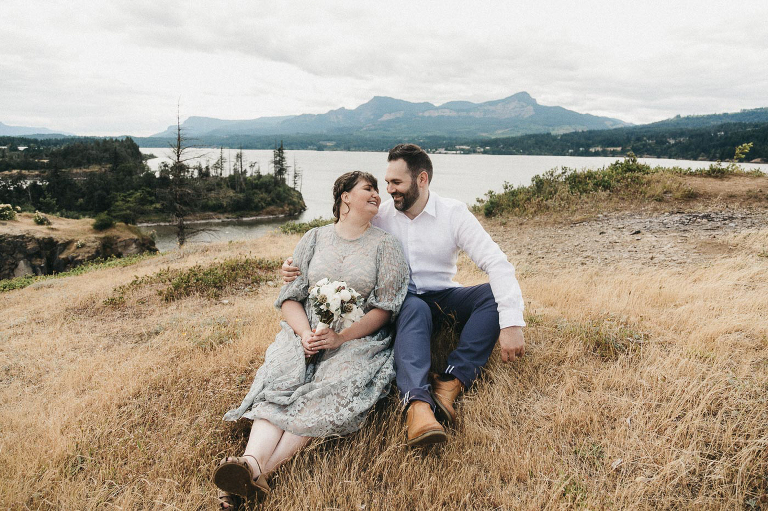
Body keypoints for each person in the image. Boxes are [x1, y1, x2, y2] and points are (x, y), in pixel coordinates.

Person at [282, 144, 525, 448]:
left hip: (445, 295)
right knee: (414, 308)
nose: (388, 190)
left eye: (396, 183)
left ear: (421, 179)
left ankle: (451, 382)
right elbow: (339, 241)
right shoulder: (380, 215)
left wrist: (512, 322)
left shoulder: (453, 214)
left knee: (491, 296)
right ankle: (417, 405)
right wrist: (294, 266)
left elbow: (497, 264)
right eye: (386, 183)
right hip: (401, 304)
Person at [214, 171, 409, 509]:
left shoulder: (386, 245)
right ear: (345, 196)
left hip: (356, 339)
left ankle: (256, 472)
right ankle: (250, 464)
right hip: (303, 332)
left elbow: (384, 310)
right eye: (368, 188)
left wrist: (340, 337)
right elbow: (290, 296)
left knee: (328, 387)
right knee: (282, 380)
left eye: (379, 190)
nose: (378, 194)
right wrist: (305, 334)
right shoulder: (314, 237)